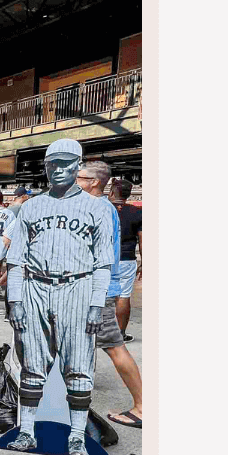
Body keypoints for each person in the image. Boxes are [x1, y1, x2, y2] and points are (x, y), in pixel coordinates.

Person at [4, 138, 114, 455]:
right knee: (32, 363)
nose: (59, 169)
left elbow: (103, 263)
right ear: (46, 167)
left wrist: (97, 304)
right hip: (36, 287)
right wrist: (15, 300)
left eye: (67, 163)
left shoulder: (97, 208)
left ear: (78, 166)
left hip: (78, 287)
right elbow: (15, 260)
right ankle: (27, 432)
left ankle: (77, 436)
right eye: (53, 163)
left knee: (79, 364)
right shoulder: (31, 206)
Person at [75, 159, 144, 430]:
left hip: (96, 289)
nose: (74, 180)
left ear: (94, 182)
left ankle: (142, 407)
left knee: (114, 345)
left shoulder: (98, 208)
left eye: (79, 177)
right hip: (94, 287)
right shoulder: (101, 207)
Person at [110, 176, 142, 339]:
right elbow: (143, 239)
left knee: (99, 294)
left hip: (104, 259)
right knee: (123, 296)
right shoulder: (136, 212)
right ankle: (120, 334)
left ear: (111, 192)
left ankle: (97, 333)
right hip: (126, 259)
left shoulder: (103, 209)